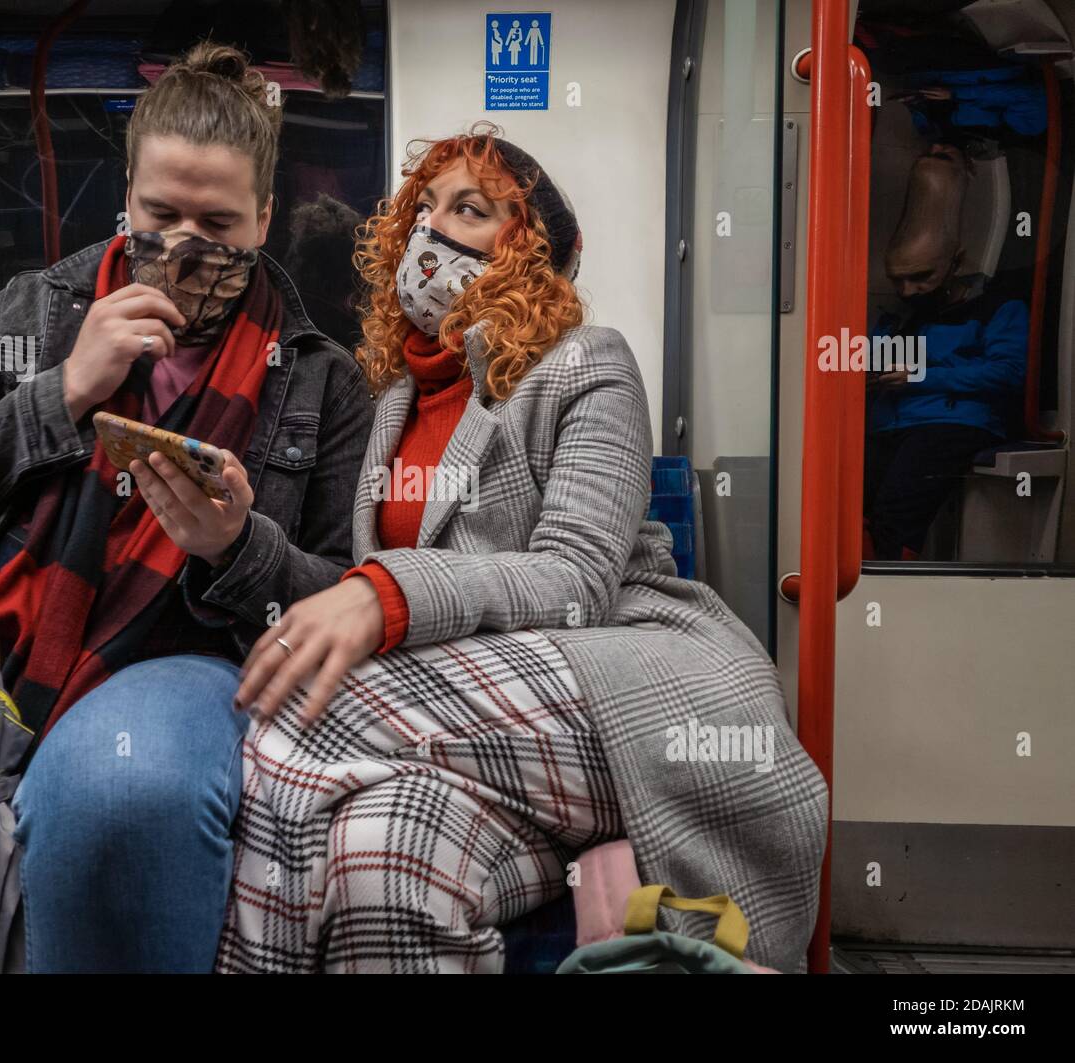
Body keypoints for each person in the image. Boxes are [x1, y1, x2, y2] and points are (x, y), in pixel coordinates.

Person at [0, 40, 372, 974]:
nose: (184, 248)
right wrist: (60, 393)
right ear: (124, 199)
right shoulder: (41, 310)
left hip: (181, 660)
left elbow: (338, 595)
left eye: (218, 222)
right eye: (160, 214)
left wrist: (235, 546)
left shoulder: (324, 381)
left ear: (265, 218)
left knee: (116, 785)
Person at [214, 126, 829, 974]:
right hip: (488, 744)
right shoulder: (393, 400)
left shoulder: (587, 364)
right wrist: (238, 541)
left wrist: (382, 595)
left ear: (530, 247)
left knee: (303, 712)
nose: (431, 231)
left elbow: (577, 577)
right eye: (423, 208)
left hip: (629, 688)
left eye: (469, 209)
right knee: (379, 856)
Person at [865, 142, 1028, 560]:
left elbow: (1007, 373)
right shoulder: (905, 315)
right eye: (899, 280)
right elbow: (871, 361)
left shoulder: (998, 308)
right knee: (852, 507)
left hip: (952, 421)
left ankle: (897, 595)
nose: (909, 290)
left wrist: (920, 376)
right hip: (894, 423)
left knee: (894, 515)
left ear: (954, 263)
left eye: (919, 278)